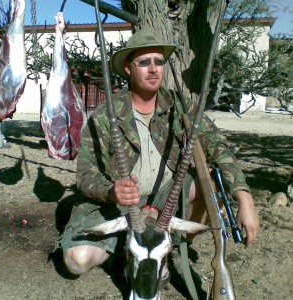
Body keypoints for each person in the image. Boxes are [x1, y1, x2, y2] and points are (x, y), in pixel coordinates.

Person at [58, 29, 259, 275]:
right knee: (77, 261)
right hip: (122, 205)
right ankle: (128, 249)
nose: (153, 69)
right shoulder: (103, 115)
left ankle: (166, 246)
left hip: (166, 199)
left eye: (159, 62)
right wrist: (112, 191)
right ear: (129, 68)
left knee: (211, 183)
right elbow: (85, 176)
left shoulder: (182, 107)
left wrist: (244, 197)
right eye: (144, 62)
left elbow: (219, 148)